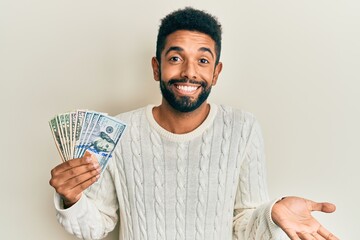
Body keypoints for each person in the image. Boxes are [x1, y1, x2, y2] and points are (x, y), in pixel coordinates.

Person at [49, 7, 339, 240]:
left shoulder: (243, 128)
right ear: (156, 67)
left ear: (215, 73)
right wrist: (72, 200)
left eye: (203, 61)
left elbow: (244, 227)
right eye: (176, 58)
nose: (189, 72)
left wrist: (272, 212)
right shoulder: (117, 130)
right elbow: (96, 226)